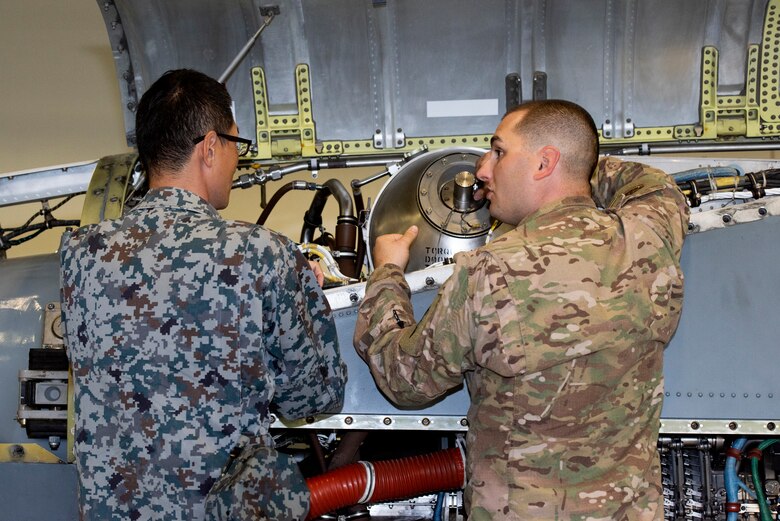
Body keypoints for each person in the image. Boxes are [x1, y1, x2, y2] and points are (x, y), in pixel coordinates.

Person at [353, 99, 689, 520]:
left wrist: (386, 272)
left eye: (498, 152)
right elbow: (653, 183)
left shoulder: (488, 272)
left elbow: (405, 377)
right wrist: (578, 171)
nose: (482, 169)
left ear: (544, 162)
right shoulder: (646, 237)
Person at [60, 69, 347, 521]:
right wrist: (308, 295)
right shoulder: (263, 254)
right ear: (210, 147)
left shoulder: (81, 253)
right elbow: (312, 399)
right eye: (237, 146)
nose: (238, 162)